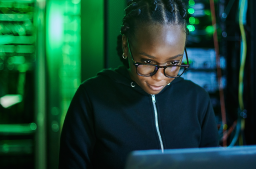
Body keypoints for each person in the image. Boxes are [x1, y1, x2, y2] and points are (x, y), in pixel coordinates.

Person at [59, 0, 219, 168]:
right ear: (125, 46)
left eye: (173, 63)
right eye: (148, 61)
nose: (159, 77)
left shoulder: (196, 99)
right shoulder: (91, 98)